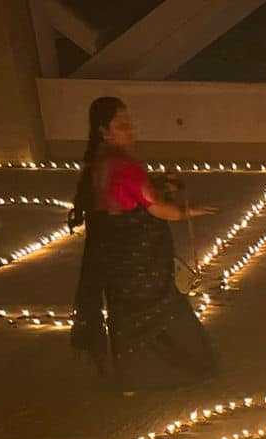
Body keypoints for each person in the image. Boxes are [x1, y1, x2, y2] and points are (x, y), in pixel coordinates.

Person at [68, 97, 217, 392]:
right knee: (167, 311)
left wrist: (161, 184)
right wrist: (188, 212)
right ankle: (189, 368)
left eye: (129, 123)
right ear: (104, 131)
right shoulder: (124, 165)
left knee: (126, 316)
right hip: (138, 259)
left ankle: (132, 380)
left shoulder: (98, 163)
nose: (130, 130)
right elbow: (157, 209)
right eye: (122, 125)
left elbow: (125, 199)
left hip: (114, 258)